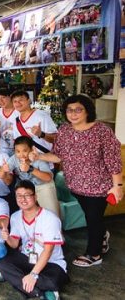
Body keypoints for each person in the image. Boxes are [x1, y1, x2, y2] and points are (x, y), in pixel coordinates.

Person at [32, 94, 122, 267]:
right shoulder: (65, 130)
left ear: (87, 111)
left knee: (93, 218)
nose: (73, 114)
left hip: (99, 186)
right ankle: (102, 236)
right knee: (92, 217)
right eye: (69, 110)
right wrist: (39, 156)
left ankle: (94, 254)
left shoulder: (101, 131)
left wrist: (117, 186)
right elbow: (59, 156)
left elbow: (113, 161)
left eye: (78, 109)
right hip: (75, 185)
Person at [0, 180, 68, 299]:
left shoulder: (50, 218)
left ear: (35, 197)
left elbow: (48, 250)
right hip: (27, 259)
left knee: (53, 282)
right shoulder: (15, 217)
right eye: (19, 196)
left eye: (27, 195)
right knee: (3, 264)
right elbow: (14, 245)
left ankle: (20, 282)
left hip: (51, 263)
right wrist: (7, 237)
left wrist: (34, 275)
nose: (23, 199)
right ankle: (40, 294)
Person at [2, 136, 59, 217]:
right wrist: (3, 169)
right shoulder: (14, 158)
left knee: (51, 214)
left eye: (25, 151)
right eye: (18, 151)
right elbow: (1, 174)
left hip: (43, 185)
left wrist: (30, 169)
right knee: (28, 215)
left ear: (32, 149)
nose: (21, 154)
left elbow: (48, 178)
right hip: (28, 188)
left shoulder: (38, 157)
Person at [0, 88, 18, 156]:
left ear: (10, 96)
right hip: (3, 149)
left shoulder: (18, 111)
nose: (0, 101)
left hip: (18, 148)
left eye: (3, 97)